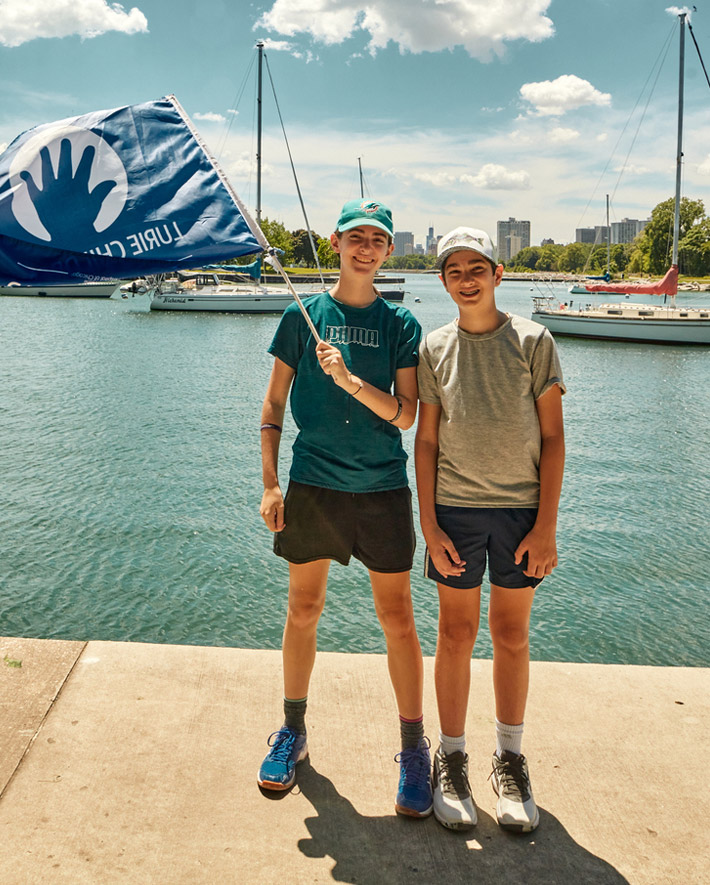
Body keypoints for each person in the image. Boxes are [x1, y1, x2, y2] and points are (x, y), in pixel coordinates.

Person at [257, 198, 432, 818]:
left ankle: (415, 747)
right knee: (303, 607)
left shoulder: (400, 325)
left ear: (388, 251)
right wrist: (271, 484)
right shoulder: (301, 315)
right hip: (314, 486)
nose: (366, 248)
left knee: (398, 620)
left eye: (377, 240)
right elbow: (273, 409)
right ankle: (292, 730)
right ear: (335, 242)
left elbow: (407, 416)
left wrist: (351, 381)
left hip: (382, 488)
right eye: (356, 237)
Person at [415, 227, 565, 833]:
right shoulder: (433, 348)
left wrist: (546, 527)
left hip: (520, 513)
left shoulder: (533, 340)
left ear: (498, 275)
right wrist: (429, 524)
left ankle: (511, 758)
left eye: (478, 267)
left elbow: (552, 437)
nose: (467, 278)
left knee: (510, 634)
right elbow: (425, 440)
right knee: (454, 634)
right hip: (453, 511)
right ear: (443, 281)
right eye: (455, 270)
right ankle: (450, 758)